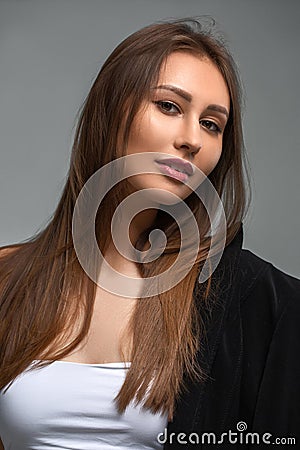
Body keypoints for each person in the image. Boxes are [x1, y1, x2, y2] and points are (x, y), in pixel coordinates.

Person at [0, 18, 299, 450]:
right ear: (111, 109)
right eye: (170, 106)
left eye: (212, 124)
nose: (192, 139)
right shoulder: (9, 279)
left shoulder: (249, 301)